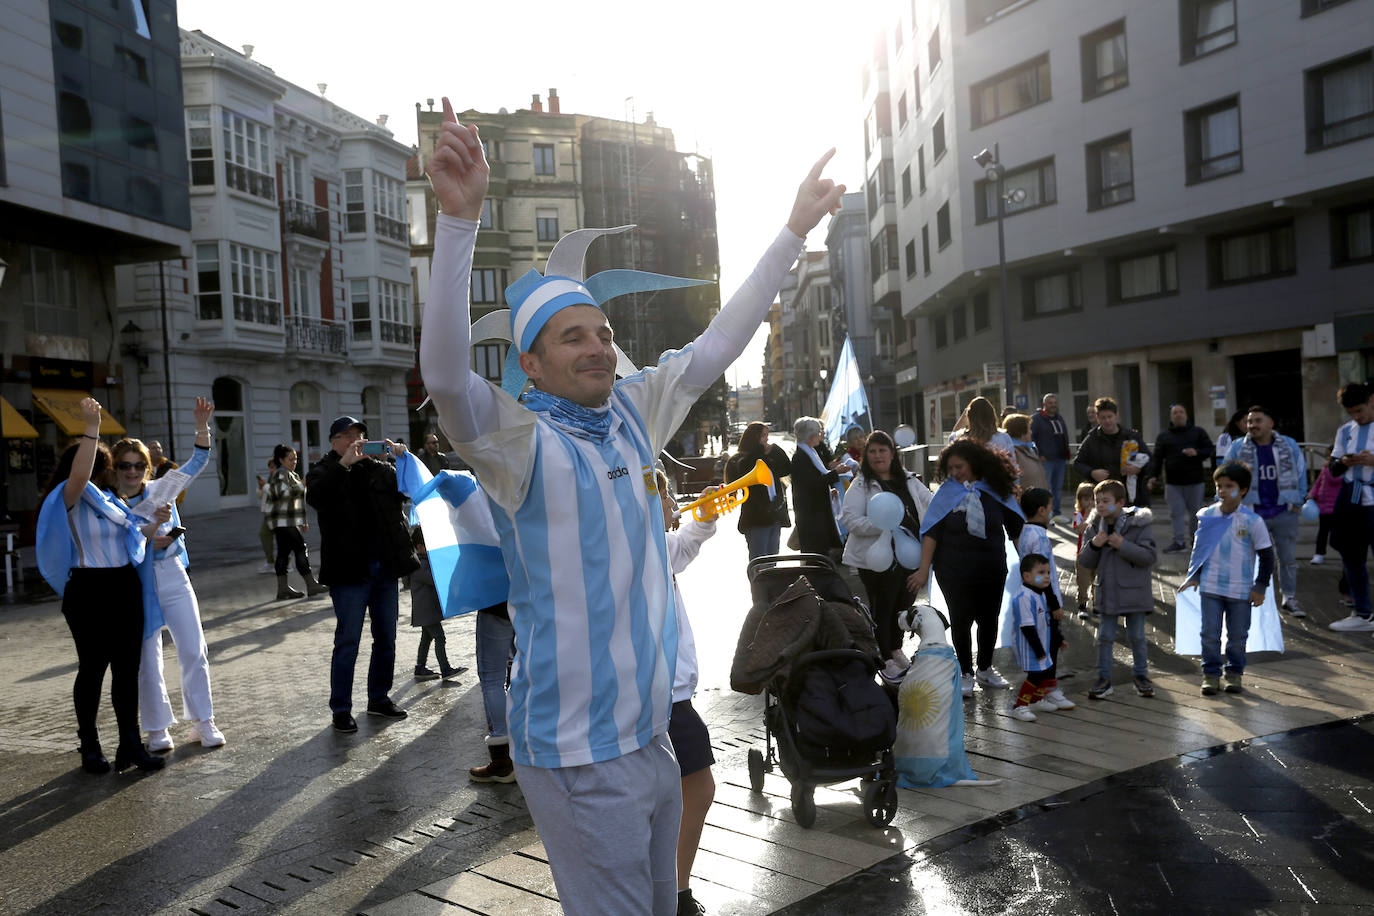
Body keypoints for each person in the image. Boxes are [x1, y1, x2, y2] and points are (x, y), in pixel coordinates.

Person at [418, 95, 842, 915]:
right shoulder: (518, 441)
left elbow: (721, 341)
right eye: (571, 337)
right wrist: (458, 223)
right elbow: (442, 376)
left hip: (650, 736)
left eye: (603, 332)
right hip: (576, 751)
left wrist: (790, 234)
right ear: (531, 367)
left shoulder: (635, 411)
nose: (597, 345)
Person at [36, 397, 169, 773]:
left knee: (128, 670)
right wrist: (91, 429)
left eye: (103, 464)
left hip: (123, 584)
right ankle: (90, 746)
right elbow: (79, 476)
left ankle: (131, 744)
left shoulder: (112, 501)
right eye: (100, 463)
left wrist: (155, 524)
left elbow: (134, 539)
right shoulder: (72, 497)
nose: (103, 470)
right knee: (93, 668)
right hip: (88, 589)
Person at [114, 399, 225, 754]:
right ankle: (157, 728)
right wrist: (147, 539)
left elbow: (199, 462)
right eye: (124, 466)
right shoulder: (110, 503)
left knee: (194, 648)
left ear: (148, 467)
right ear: (115, 469)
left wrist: (201, 426)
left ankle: (203, 721)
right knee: (149, 657)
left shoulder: (162, 488)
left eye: (138, 465)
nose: (132, 471)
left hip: (173, 574)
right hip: (139, 582)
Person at [306, 416, 420, 732]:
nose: (354, 441)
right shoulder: (323, 471)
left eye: (359, 436)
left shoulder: (382, 470)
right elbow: (317, 497)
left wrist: (403, 457)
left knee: (387, 637)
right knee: (348, 640)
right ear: (333, 442)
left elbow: (413, 490)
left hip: (384, 567)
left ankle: (379, 699)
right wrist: (343, 464)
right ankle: (341, 708)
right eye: (346, 436)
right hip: (348, 571)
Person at [909, 439, 1024, 698]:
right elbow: (931, 533)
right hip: (953, 570)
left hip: (992, 567)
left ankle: (985, 668)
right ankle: (965, 673)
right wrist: (923, 569)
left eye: (959, 466)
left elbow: (1016, 529)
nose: (955, 473)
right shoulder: (945, 493)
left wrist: (1028, 560)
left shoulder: (996, 490)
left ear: (974, 463)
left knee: (988, 619)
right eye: (950, 468)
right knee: (960, 620)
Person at [655, 471, 718, 916]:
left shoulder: (654, 545)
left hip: (671, 695)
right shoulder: (638, 548)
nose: (673, 503)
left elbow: (686, 544)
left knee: (694, 785)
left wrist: (707, 517)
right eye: (664, 495)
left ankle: (674, 889)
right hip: (660, 697)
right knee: (693, 786)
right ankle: (672, 891)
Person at [840, 430, 934, 682]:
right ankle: (885, 657)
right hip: (875, 558)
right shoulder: (861, 484)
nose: (878, 455)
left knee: (903, 603)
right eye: (872, 451)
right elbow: (849, 519)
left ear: (893, 454)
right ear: (866, 456)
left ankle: (894, 647)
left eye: (883, 450)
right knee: (883, 605)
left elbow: (931, 502)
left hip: (909, 554)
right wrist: (880, 525)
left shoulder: (909, 479)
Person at [1180, 462, 1274, 696]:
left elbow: (1267, 556)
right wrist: (1195, 575)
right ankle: (1211, 674)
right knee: (1209, 634)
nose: (1222, 490)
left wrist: (1260, 587)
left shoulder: (1252, 521)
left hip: (1240, 591)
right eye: (1219, 486)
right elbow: (1200, 548)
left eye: (1229, 486)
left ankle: (1234, 673)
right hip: (1210, 587)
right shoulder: (1208, 516)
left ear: (1242, 490)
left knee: (1237, 637)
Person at [1223, 405, 1306, 619]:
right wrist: (1225, 504)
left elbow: (1301, 471)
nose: (1252, 425)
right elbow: (1225, 475)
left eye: (1258, 421)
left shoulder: (1289, 445)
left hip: (1283, 511)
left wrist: (1299, 499)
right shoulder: (1238, 447)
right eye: (1250, 421)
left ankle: (1289, 597)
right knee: (1245, 557)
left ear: (1271, 423)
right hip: (1250, 512)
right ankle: (1247, 598)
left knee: (1287, 558)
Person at [1078, 479, 1158, 700]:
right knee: (1104, 636)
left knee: (1137, 636)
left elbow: (1149, 556)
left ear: (1121, 502)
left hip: (1134, 590)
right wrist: (1095, 544)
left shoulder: (1139, 524)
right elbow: (1084, 561)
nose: (1100, 505)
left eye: (1106, 501)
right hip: (1108, 590)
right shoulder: (1094, 526)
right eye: (1097, 501)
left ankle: (1141, 676)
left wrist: (1123, 545)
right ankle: (1104, 679)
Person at [1017, 488, 1073, 705]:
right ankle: (1045, 692)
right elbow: (1042, 574)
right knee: (1048, 649)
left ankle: (1044, 693)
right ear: (1041, 510)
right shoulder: (1039, 536)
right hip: (1043, 602)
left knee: (1049, 647)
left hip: (1036, 599)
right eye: (1050, 508)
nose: (1051, 512)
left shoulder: (1025, 532)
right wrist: (1054, 604)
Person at [1327, 382, 1374, 633]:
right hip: (1351, 500)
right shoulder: (1345, 431)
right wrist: (1345, 461)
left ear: (1372, 401)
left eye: (1360, 410)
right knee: (1352, 558)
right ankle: (1363, 613)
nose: (1357, 416)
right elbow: (1333, 468)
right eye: (1352, 412)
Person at [266, 444, 329, 601]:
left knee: (284, 553)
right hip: (283, 521)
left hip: (286, 521)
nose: (294, 461)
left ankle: (283, 589)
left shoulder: (290, 474)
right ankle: (310, 584)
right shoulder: (281, 475)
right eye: (290, 459)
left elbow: (297, 501)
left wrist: (303, 521)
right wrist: (303, 483)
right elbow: (285, 495)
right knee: (300, 548)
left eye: (295, 458)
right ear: (281, 460)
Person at [1151, 403, 1215, 553]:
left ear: (1186, 415)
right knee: (1176, 514)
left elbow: (1209, 449)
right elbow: (1157, 458)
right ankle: (1178, 542)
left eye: (1181, 412)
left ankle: (1195, 541)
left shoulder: (1198, 432)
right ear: (1171, 417)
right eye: (1175, 413)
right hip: (1173, 483)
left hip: (1195, 481)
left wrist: (1197, 452)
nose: (1178, 415)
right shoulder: (1164, 436)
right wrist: (1153, 476)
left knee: (1196, 514)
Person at [724, 421, 792, 561]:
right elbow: (744, 470)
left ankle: (770, 584)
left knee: (773, 558)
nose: (767, 439)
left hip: (774, 514)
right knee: (759, 560)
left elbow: (786, 468)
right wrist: (760, 452)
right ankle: (758, 583)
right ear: (754, 438)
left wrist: (775, 449)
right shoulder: (741, 459)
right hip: (757, 518)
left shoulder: (768, 456)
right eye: (763, 436)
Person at [408, 528, 468, 681]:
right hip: (426, 610)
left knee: (426, 638)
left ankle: (420, 667)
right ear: (420, 546)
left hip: (427, 610)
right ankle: (445, 669)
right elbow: (433, 579)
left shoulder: (423, 561)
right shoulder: (418, 564)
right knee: (440, 637)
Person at [1072, 397, 1152, 508]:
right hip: (1105, 498)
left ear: (1116, 415)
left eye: (1110, 416)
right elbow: (1077, 463)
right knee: (1109, 524)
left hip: (1131, 495)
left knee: (1131, 524)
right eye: (1103, 418)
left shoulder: (1131, 436)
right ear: (1097, 418)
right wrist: (1092, 472)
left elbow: (1150, 460)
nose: (1107, 421)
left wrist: (1138, 469)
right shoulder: (1092, 438)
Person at [1008, 554, 1060, 721]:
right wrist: (1038, 649)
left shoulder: (1040, 593)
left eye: (1048, 572)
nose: (1047, 576)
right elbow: (1027, 627)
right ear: (1027, 576)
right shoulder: (1024, 597)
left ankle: (1036, 701)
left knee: (1046, 671)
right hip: (1030, 645)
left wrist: (1058, 639)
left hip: (1042, 643)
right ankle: (1020, 706)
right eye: (1041, 572)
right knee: (1036, 675)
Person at [791, 416, 846, 556]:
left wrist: (828, 490)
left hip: (817, 512)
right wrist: (835, 473)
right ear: (811, 435)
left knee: (821, 551)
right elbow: (811, 483)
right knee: (815, 554)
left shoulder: (811, 452)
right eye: (819, 432)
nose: (821, 435)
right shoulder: (800, 457)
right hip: (810, 515)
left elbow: (818, 479)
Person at [1031, 394, 1072, 517]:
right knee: (1045, 488)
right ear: (1044, 405)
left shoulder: (1059, 418)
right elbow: (1031, 438)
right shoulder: (1037, 419)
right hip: (1046, 460)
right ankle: (1045, 514)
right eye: (1050, 403)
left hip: (1060, 459)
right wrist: (1039, 455)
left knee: (1057, 489)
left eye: (1055, 403)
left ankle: (1057, 513)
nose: (1053, 405)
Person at [950, 396, 1018, 469]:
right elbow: (1012, 466)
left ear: (969, 417)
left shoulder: (958, 438)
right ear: (992, 416)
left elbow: (953, 434)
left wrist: (966, 413)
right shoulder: (1004, 437)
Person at [1308, 463, 1343, 566]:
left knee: (1336, 535)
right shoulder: (1325, 468)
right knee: (1323, 532)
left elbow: (1334, 479)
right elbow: (1318, 483)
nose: (1328, 459)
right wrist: (1312, 494)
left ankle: (1344, 554)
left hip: (1337, 508)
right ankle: (1319, 554)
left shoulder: (1344, 471)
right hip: (1323, 507)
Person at [1003, 414, 1048, 493]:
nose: (1031, 432)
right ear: (1021, 431)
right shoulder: (1012, 452)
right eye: (1029, 429)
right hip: (1025, 502)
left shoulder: (1029, 449)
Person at [1071, 482, 1097, 620]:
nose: (1090, 502)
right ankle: (1082, 604)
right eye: (1086, 499)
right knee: (1083, 581)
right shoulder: (1078, 514)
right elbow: (1081, 529)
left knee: (1097, 580)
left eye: (1092, 499)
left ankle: (1096, 602)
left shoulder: (1100, 513)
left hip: (1097, 554)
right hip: (1082, 554)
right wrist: (1088, 514)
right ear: (1079, 500)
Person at [255, 455, 278, 574]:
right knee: (264, 535)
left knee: (282, 539)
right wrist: (260, 488)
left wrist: (265, 486)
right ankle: (270, 562)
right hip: (268, 513)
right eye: (270, 467)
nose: (271, 470)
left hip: (278, 514)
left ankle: (285, 564)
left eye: (273, 467)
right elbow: (261, 496)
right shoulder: (270, 479)